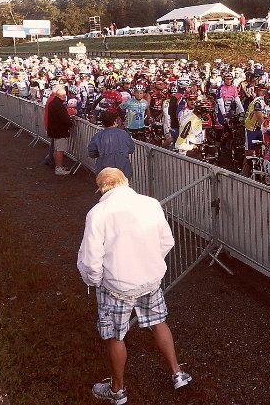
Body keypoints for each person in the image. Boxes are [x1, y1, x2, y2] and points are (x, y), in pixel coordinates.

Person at [77, 168, 191, 404]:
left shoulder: (97, 213)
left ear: (102, 188)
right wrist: (149, 262)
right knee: (159, 323)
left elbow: (91, 260)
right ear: (125, 182)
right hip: (150, 281)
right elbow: (166, 241)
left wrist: (96, 280)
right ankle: (177, 373)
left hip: (117, 286)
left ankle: (118, 390)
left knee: (116, 336)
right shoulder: (150, 204)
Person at [88, 111, 136, 180]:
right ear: (114, 121)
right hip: (123, 171)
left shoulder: (98, 136)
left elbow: (91, 153)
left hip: (105, 171)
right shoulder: (124, 134)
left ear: (102, 123)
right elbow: (131, 149)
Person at [46, 84, 73, 176]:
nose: (66, 97)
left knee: (57, 149)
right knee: (59, 150)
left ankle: (58, 166)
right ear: (62, 96)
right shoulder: (59, 105)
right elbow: (64, 119)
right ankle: (59, 168)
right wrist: (70, 123)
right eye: (65, 96)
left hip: (55, 130)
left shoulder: (53, 103)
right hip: (60, 131)